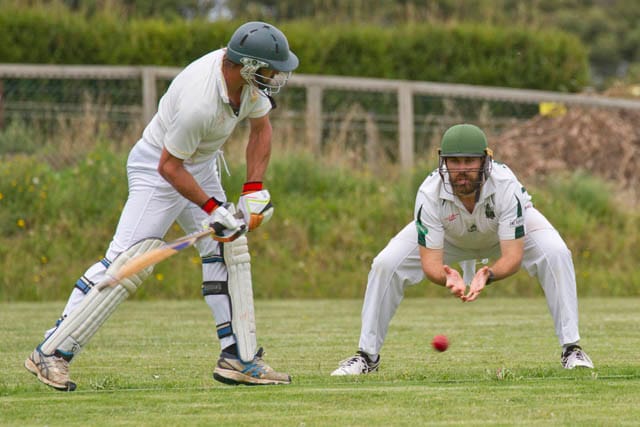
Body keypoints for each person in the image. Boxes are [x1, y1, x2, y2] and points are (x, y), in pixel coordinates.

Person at [25, 21, 299, 391]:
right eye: (268, 70)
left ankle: (238, 357)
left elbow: (261, 130)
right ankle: (51, 351)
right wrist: (213, 208)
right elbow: (169, 167)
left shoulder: (249, 86)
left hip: (199, 165)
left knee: (227, 247)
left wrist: (253, 190)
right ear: (247, 66)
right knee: (125, 261)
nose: (274, 77)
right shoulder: (200, 102)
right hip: (158, 168)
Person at [331, 123, 594, 376]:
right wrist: (446, 277)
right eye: (454, 162)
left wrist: (488, 274)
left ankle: (572, 348)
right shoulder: (429, 193)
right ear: (443, 162)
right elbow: (430, 263)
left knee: (557, 253)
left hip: (503, 232)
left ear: (485, 161)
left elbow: (513, 256)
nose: (461, 169)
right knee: (385, 263)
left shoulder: (506, 185)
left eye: (469, 161)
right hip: (449, 235)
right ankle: (367, 356)